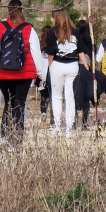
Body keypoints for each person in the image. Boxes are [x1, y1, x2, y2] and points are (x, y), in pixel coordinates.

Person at [0, 0, 44, 139]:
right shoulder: (28, 28)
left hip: (2, 73)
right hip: (23, 73)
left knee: (8, 102)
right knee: (19, 104)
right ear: (21, 11)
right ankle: (17, 138)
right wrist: (39, 73)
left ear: (8, 11)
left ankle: (5, 136)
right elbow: (36, 52)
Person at [46, 9, 90, 137]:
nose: (51, 20)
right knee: (70, 96)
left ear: (57, 18)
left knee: (56, 96)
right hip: (72, 66)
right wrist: (85, 65)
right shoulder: (75, 31)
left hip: (57, 65)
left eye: (53, 17)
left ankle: (58, 127)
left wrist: (50, 66)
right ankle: (69, 129)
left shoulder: (52, 32)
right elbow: (80, 51)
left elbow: (50, 52)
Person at [74, 19, 95, 129]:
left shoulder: (75, 39)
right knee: (86, 96)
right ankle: (85, 122)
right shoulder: (90, 40)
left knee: (75, 94)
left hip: (76, 68)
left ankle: (74, 120)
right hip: (88, 68)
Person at [37, 25, 52, 128]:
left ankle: (43, 112)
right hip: (50, 72)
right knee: (52, 95)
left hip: (39, 73)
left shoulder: (39, 44)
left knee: (43, 95)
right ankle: (53, 116)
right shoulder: (53, 44)